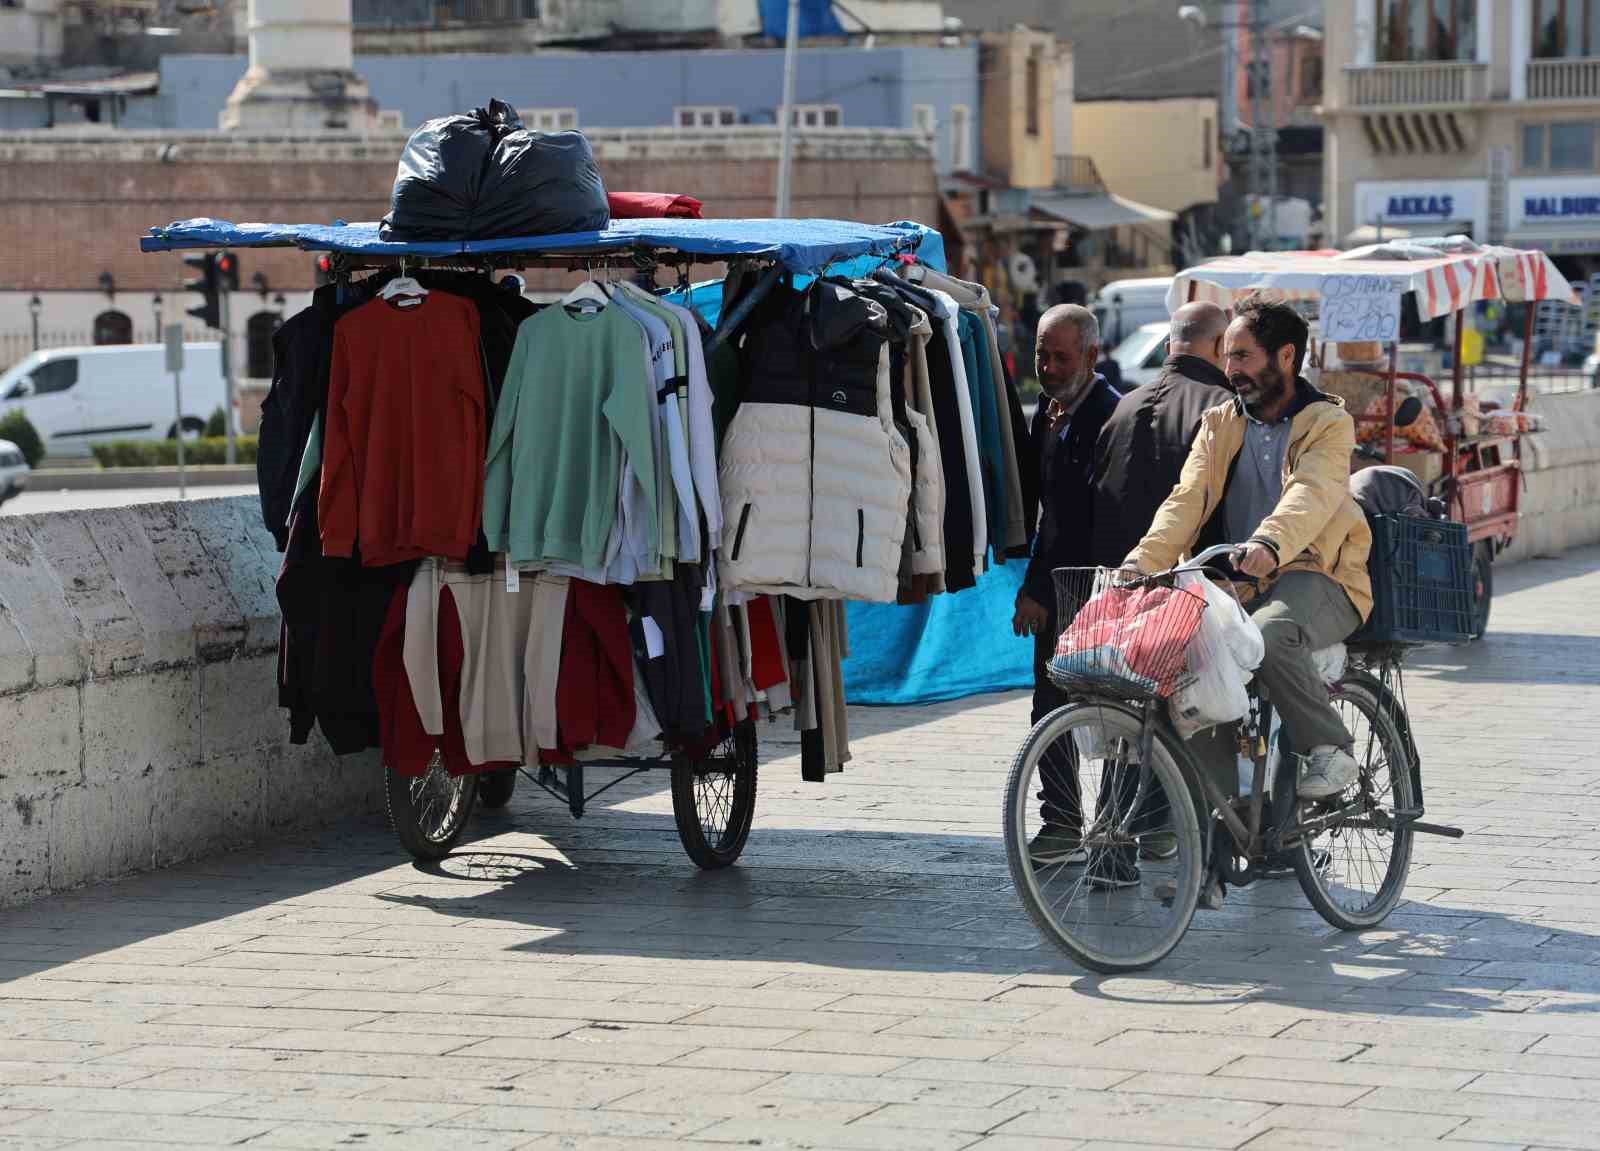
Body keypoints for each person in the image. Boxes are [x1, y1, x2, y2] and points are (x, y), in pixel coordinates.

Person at [1124, 296, 1373, 845]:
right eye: (1227, 355)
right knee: (1192, 661)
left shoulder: (1328, 423)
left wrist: (1270, 541)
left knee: (1271, 634)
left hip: (1321, 574)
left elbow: (1312, 492)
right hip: (1239, 579)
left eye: (1241, 355)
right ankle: (1232, 814)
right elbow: (1186, 498)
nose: (1229, 367)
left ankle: (1331, 750)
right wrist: (1143, 560)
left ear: (1285, 357)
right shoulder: (1221, 422)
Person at [1011, 304, 1122, 879]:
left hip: (1098, 588)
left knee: (1113, 710)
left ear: (1091, 357)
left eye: (1061, 357)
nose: (1050, 367)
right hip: (1059, 587)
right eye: (1042, 356)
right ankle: (1061, 821)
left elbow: (1076, 520)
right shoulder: (1048, 412)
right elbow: (1043, 509)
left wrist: (1037, 590)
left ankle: (1124, 827)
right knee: (1048, 707)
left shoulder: (1110, 415)